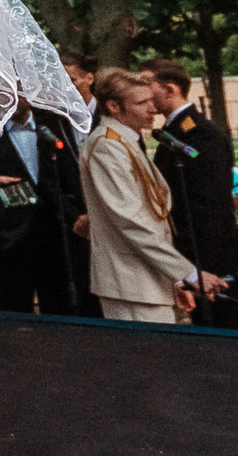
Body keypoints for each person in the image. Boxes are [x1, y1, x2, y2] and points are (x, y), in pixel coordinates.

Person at [79, 69, 225, 324]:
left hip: (144, 281)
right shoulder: (107, 146)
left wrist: (173, 279)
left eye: (150, 100)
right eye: (141, 103)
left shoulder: (124, 141)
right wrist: (190, 274)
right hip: (130, 282)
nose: (153, 108)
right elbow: (131, 223)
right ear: (113, 106)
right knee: (144, 362)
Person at [145, 59, 238, 331]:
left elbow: (211, 205)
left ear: (170, 89)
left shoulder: (200, 135)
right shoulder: (175, 132)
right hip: (196, 257)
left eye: (147, 86)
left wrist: (204, 269)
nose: (144, 95)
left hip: (216, 260)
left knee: (229, 343)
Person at [0, 103, 94, 317]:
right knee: (13, 305)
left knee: (59, 304)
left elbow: (66, 175)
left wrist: (74, 215)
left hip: (53, 230)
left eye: (20, 91)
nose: (13, 99)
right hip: (9, 232)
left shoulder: (51, 126)